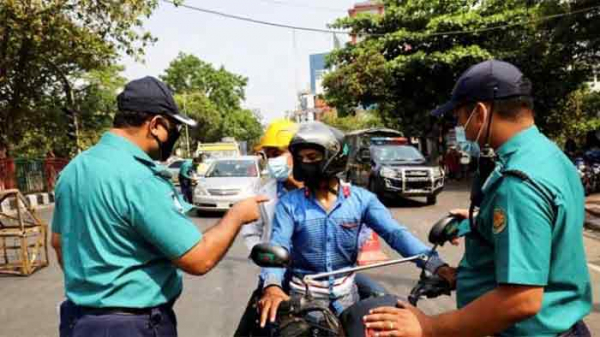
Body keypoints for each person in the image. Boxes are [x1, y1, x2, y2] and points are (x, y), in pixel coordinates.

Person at [364, 60, 592, 336]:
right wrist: (481, 221)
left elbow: (520, 300)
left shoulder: (517, 184)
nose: (459, 125)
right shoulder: (550, 157)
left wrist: (430, 327)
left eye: (459, 116)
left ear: (480, 113)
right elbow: (547, 232)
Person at [51, 76, 265, 337]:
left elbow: (59, 242)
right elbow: (199, 258)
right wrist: (236, 215)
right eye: (173, 127)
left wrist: (97, 288)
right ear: (156, 125)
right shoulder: (139, 177)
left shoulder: (74, 169)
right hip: (131, 326)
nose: (173, 135)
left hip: (78, 321)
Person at [258, 121, 454, 329]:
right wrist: (271, 285)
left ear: (334, 158)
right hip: (304, 301)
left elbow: (395, 234)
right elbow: (278, 245)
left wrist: (438, 266)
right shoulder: (289, 204)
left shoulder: (362, 200)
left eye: (312, 157)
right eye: (301, 158)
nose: (305, 163)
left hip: (347, 297)